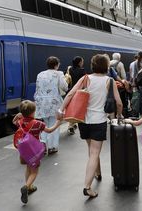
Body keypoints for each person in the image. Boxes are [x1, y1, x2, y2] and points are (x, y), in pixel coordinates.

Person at [57, 54, 123, 198]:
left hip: (84, 121)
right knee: (94, 152)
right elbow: (118, 102)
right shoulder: (110, 81)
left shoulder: (85, 78)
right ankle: (87, 187)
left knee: (91, 150)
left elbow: (70, 95)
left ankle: (97, 172)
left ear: (92, 65)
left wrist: (61, 110)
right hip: (99, 121)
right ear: (106, 66)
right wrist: (119, 116)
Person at [12, 100, 62, 204]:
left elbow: (14, 121)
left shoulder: (20, 122)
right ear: (33, 112)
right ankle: (26, 187)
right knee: (34, 171)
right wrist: (57, 123)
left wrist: (18, 115)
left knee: (28, 168)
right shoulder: (38, 124)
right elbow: (49, 130)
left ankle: (29, 187)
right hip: (33, 151)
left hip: (23, 150)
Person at [34, 56, 68, 154]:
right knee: (54, 124)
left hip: (41, 102)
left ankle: (42, 144)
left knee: (44, 125)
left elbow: (38, 88)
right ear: (56, 65)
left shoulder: (40, 74)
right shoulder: (59, 73)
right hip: (54, 103)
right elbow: (64, 87)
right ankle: (52, 147)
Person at [66, 56, 86, 135]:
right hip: (79, 92)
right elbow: (84, 82)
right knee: (77, 109)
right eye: (82, 61)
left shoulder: (69, 69)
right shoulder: (82, 70)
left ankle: (72, 124)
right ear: (79, 62)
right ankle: (71, 126)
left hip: (70, 91)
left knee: (71, 108)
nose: (82, 63)